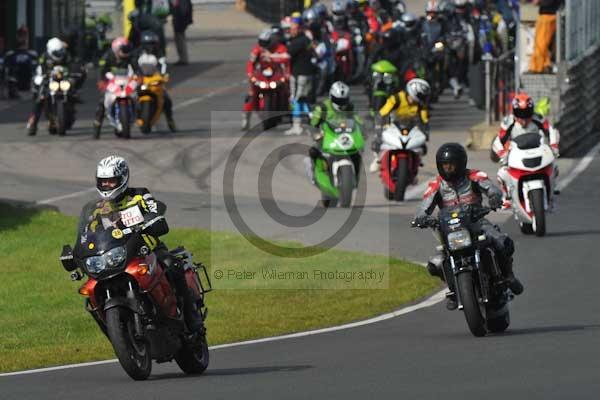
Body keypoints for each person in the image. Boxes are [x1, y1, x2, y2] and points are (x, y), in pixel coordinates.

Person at [89, 155, 205, 332]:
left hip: (148, 249)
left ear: (122, 179)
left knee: (171, 264)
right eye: (103, 182)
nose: (106, 186)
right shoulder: (97, 209)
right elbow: (89, 230)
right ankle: (114, 330)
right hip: (117, 256)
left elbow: (154, 207)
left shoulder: (139, 194)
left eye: (111, 181)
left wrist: (155, 218)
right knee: (91, 289)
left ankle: (191, 316)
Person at [413, 143, 524, 310]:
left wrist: (494, 197)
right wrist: (421, 218)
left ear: (461, 163)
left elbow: (492, 188)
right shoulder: (436, 185)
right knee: (435, 264)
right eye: (445, 166)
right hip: (449, 228)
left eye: (451, 165)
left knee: (502, 241)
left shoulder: (474, 176)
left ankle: (508, 276)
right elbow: (424, 206)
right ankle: (453, 290)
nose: (448, 169)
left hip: (477, 222)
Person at [492, 92, 560, 207]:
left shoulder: (538, 118)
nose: (523, 118)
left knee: (554, 166)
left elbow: (552, 131)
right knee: (502, 173)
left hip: (537, 151)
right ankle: (507, 196)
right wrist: (502, 153)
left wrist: (553, 146)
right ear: (514, 111)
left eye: (526, 113)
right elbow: (498, 140)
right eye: (520, 113)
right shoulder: (508, 122)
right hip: (516, 153)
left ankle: (552, 190)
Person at [305, 81, 362, 185]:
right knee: (313, 151)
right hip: (327, 137)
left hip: (345, 137)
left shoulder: (350, 107)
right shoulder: (322, 108)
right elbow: (313, 124)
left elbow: (357, 119)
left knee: (357, 154)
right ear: (331, 96)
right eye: (338, 100)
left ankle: (356, 178)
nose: (341, 103)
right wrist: (315, 134)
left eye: (343, 100)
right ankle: (314, 175)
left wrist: (362, 129)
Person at [371, 78, 431, 172]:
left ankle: (415, 162)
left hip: (410, 127)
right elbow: (382, 113)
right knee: (378, 141)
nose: (423, 99)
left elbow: (424, 120)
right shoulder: (396, 98)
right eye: (421, 96)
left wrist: (425, 132)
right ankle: (378, 159)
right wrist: (379, 127)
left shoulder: (420, 105)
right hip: (392, 125)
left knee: (423, 147)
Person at [26, 38, 83, 136]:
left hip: (64, 80)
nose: (59, 54)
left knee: (73, 93)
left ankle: (70, 112)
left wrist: (75, 74)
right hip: (50, 81)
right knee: (40, 98)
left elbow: (74, 65)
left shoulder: (67, 55)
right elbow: (39, 68)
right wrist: (41, 76)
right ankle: (33, 123)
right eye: (56, 53)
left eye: (60, 52)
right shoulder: (44, 57)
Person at [241, 28, 290, 130]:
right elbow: (251, 63)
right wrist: (250, 74)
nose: (264, 45)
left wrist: (286, 75)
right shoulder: (258, 49)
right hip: (261, 76)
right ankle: (246, 117)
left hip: (276, 75)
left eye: (266, 42)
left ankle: (286, 111)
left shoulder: (280, 48)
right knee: (251, 94)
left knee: (286, 91)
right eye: (262, 42)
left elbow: (286, 60)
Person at [130, 31, 176, 132]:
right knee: (129, 96)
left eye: (152, 43)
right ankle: (126, 120)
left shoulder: (159, 53)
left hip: (154, 80)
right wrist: (133, 76)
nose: (150, 46)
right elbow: (132, 65)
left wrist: (163, 75)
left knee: (167, 100)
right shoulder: (137, 53)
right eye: (148, 44)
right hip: (140, 79)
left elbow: (163, 64)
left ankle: (170, 120)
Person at [94, 37, 136, 136]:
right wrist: (101, 81)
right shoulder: (107, 56)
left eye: (128, 49)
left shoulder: (130, 56)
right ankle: (96, 128)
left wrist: (139, 78)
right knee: (101, 103)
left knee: (139, 96)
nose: (127, 52)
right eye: (124, 50)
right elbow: (101, 70)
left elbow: (137, 68)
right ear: (116, 50)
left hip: (126, 82)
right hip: (111, 82)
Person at [284, 13, 316, 136]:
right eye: (291, 27)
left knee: (295, 99)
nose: (291, 30)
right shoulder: (306, 39)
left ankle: (297, 126)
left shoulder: (299, 41)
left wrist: (271, 56)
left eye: (294, 27)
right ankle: (313, 121)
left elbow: (287, 55)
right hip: (307, 73)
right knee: (303, 100)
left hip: (299, 74)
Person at [528, 0, 563, 73]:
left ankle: (537, 67)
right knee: (544, 43)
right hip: (550, 14)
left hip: (547, 15)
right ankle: (546, 65)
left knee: (541, 43)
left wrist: (538, 1)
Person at [170, 0, 193, 65]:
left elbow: (183, 9)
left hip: (180, 19)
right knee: (180, 38)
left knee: (179, 38)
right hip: (181, 18)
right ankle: (183, 58)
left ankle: (183, 59)